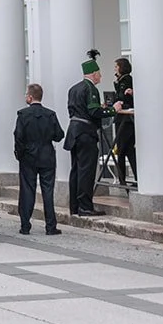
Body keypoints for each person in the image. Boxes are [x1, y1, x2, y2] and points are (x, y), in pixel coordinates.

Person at [13, 82, 65, 235]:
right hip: (47, 154)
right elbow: (59, 135)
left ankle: (25, 225)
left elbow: (18, 136)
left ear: (30, 97)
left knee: (27, 190)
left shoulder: (23, 115)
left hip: (28, 155)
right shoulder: (50, 114)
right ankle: (50, 226)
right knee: (47, 191)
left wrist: (19, 153)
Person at [64, 54, 105, 217]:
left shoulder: (73, 88)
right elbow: (94, 111)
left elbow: (72, 111)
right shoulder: (90, 89)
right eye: (99, 73)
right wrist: (112, 110)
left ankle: (74, 205)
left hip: (74, 132)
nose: (100, 76)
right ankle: (85, 206)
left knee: (76, 170)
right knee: (86, 171)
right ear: (94, 73)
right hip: (86, 133)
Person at [111, 57, 136, 186]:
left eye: (116, 66)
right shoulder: (121, 80)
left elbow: (121, 97)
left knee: (122, 148)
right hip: (123, 118)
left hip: (125, 119)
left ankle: (122, 179)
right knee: (128, 150)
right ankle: (134, 177)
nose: (115, 69)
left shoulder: (126, 80)